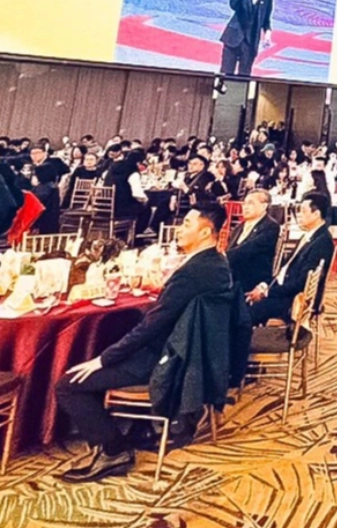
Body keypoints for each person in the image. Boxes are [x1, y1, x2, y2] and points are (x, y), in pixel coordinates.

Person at [55, 203, 232, 483]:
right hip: (187, 350)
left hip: (168, 359)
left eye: (187, 224)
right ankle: (136, 427)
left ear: (205, 232)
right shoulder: (216, 263)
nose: (179, 229)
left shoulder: (193, 273)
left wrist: (103, 359)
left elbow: (152, 328)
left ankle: (115, 451)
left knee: (67, 385)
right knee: (116, 328)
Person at [246, 192, 334, 325]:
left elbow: (301, 283)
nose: (299, 215)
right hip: (284, 289)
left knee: (245, 314)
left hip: (294, 300)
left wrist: (267, 293)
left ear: (316, 214)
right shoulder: (311, 236)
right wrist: (264, 286)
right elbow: (285, 269)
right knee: (243, 299)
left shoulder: (322, 242)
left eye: (303, 211)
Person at [219, 0, 273, 77]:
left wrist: (267, 35)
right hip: (233, 37)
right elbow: (233, 4)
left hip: (250, 41)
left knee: (244, 75)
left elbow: (266, 21)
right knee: (226, 72)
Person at [225, 189, 281, 293]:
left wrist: (222, 258)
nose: (245, 207)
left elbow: (249, 249)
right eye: (244, 203)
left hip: (252, 279)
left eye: (251, 203)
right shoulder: (238, 228)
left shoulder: (270, 226)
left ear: (264, 206)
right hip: (231, 277)